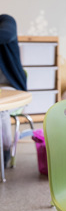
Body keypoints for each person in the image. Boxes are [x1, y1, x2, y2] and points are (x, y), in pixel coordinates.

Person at [0, 14, 27, 166]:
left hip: (12, 88)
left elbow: (6, 34)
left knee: (1, 110)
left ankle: (4, 151)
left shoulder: (6, 21)